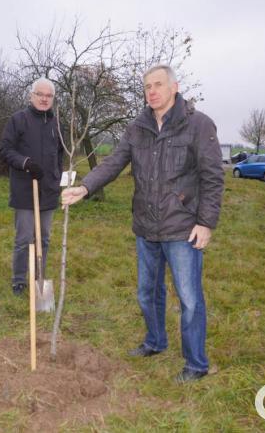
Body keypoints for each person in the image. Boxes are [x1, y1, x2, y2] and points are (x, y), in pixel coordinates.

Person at [61, 65, 224, 384]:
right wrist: (85, 186)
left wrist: (205, 223)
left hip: (182, 228)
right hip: (146, 226)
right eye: (147, 86)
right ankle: (155, 341)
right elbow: (114, 162)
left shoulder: (198, 125)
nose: (152, 91)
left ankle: (196, 364)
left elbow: (213, 177)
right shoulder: (137, 127)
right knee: (147, 293)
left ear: (174, 87)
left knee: (189, 299)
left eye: (158, 85)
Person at [0, 78, 63, 296]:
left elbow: (60, 154)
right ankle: (19, 280)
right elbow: (5, 149)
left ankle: (39, 279)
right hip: (25, 190)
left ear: (53, 99)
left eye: (49, 96)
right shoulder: (18, 120)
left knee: (43, 238)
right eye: (40, 94)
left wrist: (56, 178)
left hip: (49, 191)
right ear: (31, 95)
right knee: (24, 238)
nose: (44, 99)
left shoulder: (56, 123)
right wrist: (25, 162)